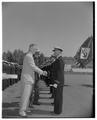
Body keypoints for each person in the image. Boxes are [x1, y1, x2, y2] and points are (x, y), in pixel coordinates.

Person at [19, 44, 47, 117]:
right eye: (35, 49)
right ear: (31, 49)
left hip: (27, 78)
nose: (36, 50)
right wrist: (42, 72)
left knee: (26, 96)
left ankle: (26, 108)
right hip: (27, 79)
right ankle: (22, 111)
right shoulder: (29, 56)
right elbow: (33, 67)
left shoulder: (29, 56)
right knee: (25, 96)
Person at [51, 47, 65, 114]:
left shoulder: (60, 60)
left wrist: (56, 82)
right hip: (57, 81)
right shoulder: (58, 59)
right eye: (54, 51)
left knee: (58, 97)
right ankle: (56, 111)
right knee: (57, 96)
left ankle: (57, 111)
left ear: (59, 52)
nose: (54, 52)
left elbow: (59, 73)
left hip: (58, 82)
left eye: (55, 51)